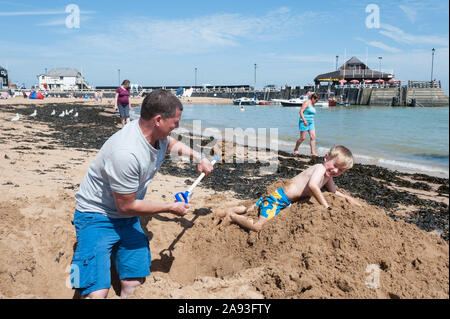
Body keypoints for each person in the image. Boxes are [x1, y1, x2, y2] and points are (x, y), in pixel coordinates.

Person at [70, 89, 214, 298]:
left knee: (134, 282)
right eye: (175, 121)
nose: (178, 126)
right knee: (96, 292)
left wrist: (198, 156)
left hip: (126, 219)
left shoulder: (156, 135)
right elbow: (126, 206)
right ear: (158, 120)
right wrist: (169, 207)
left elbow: (170, 144)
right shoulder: (126, 153)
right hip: (96, 216)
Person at [215, 145, 362, 232]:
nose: (336, 171)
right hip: (278, 200)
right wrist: (325, 205)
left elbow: (333, 192)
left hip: (280, 197)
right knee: (259, 226)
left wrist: (348, 198)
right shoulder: (320, 168)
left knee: (250, 209)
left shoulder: (328, 176)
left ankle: (226, 211)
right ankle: (232, 217)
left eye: (341, 170)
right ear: (326, 157)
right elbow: (313, 186)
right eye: (335, 165)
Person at [293, 92, 320, 157]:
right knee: (302, 138)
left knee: (313, 137)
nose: (316, 102)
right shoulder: (307, 102)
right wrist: (304, 121)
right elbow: (301, 111)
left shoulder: (312, 104)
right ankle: (296, 149)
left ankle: (312, 152)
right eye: (316, 100)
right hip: (303, 122)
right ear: (313, 98)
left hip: (311, 122)